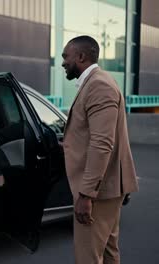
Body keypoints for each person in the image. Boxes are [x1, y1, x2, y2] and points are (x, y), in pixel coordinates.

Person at [61, 35, 139, 264]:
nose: (63, 62)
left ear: (81, 56)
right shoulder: (96, 82)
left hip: (99, 192)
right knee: (108, 252)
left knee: (88, 257)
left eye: (66, 56)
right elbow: (92, 135)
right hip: (108, 188)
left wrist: (86, 195)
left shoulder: (98, 85)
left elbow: (102, 143)